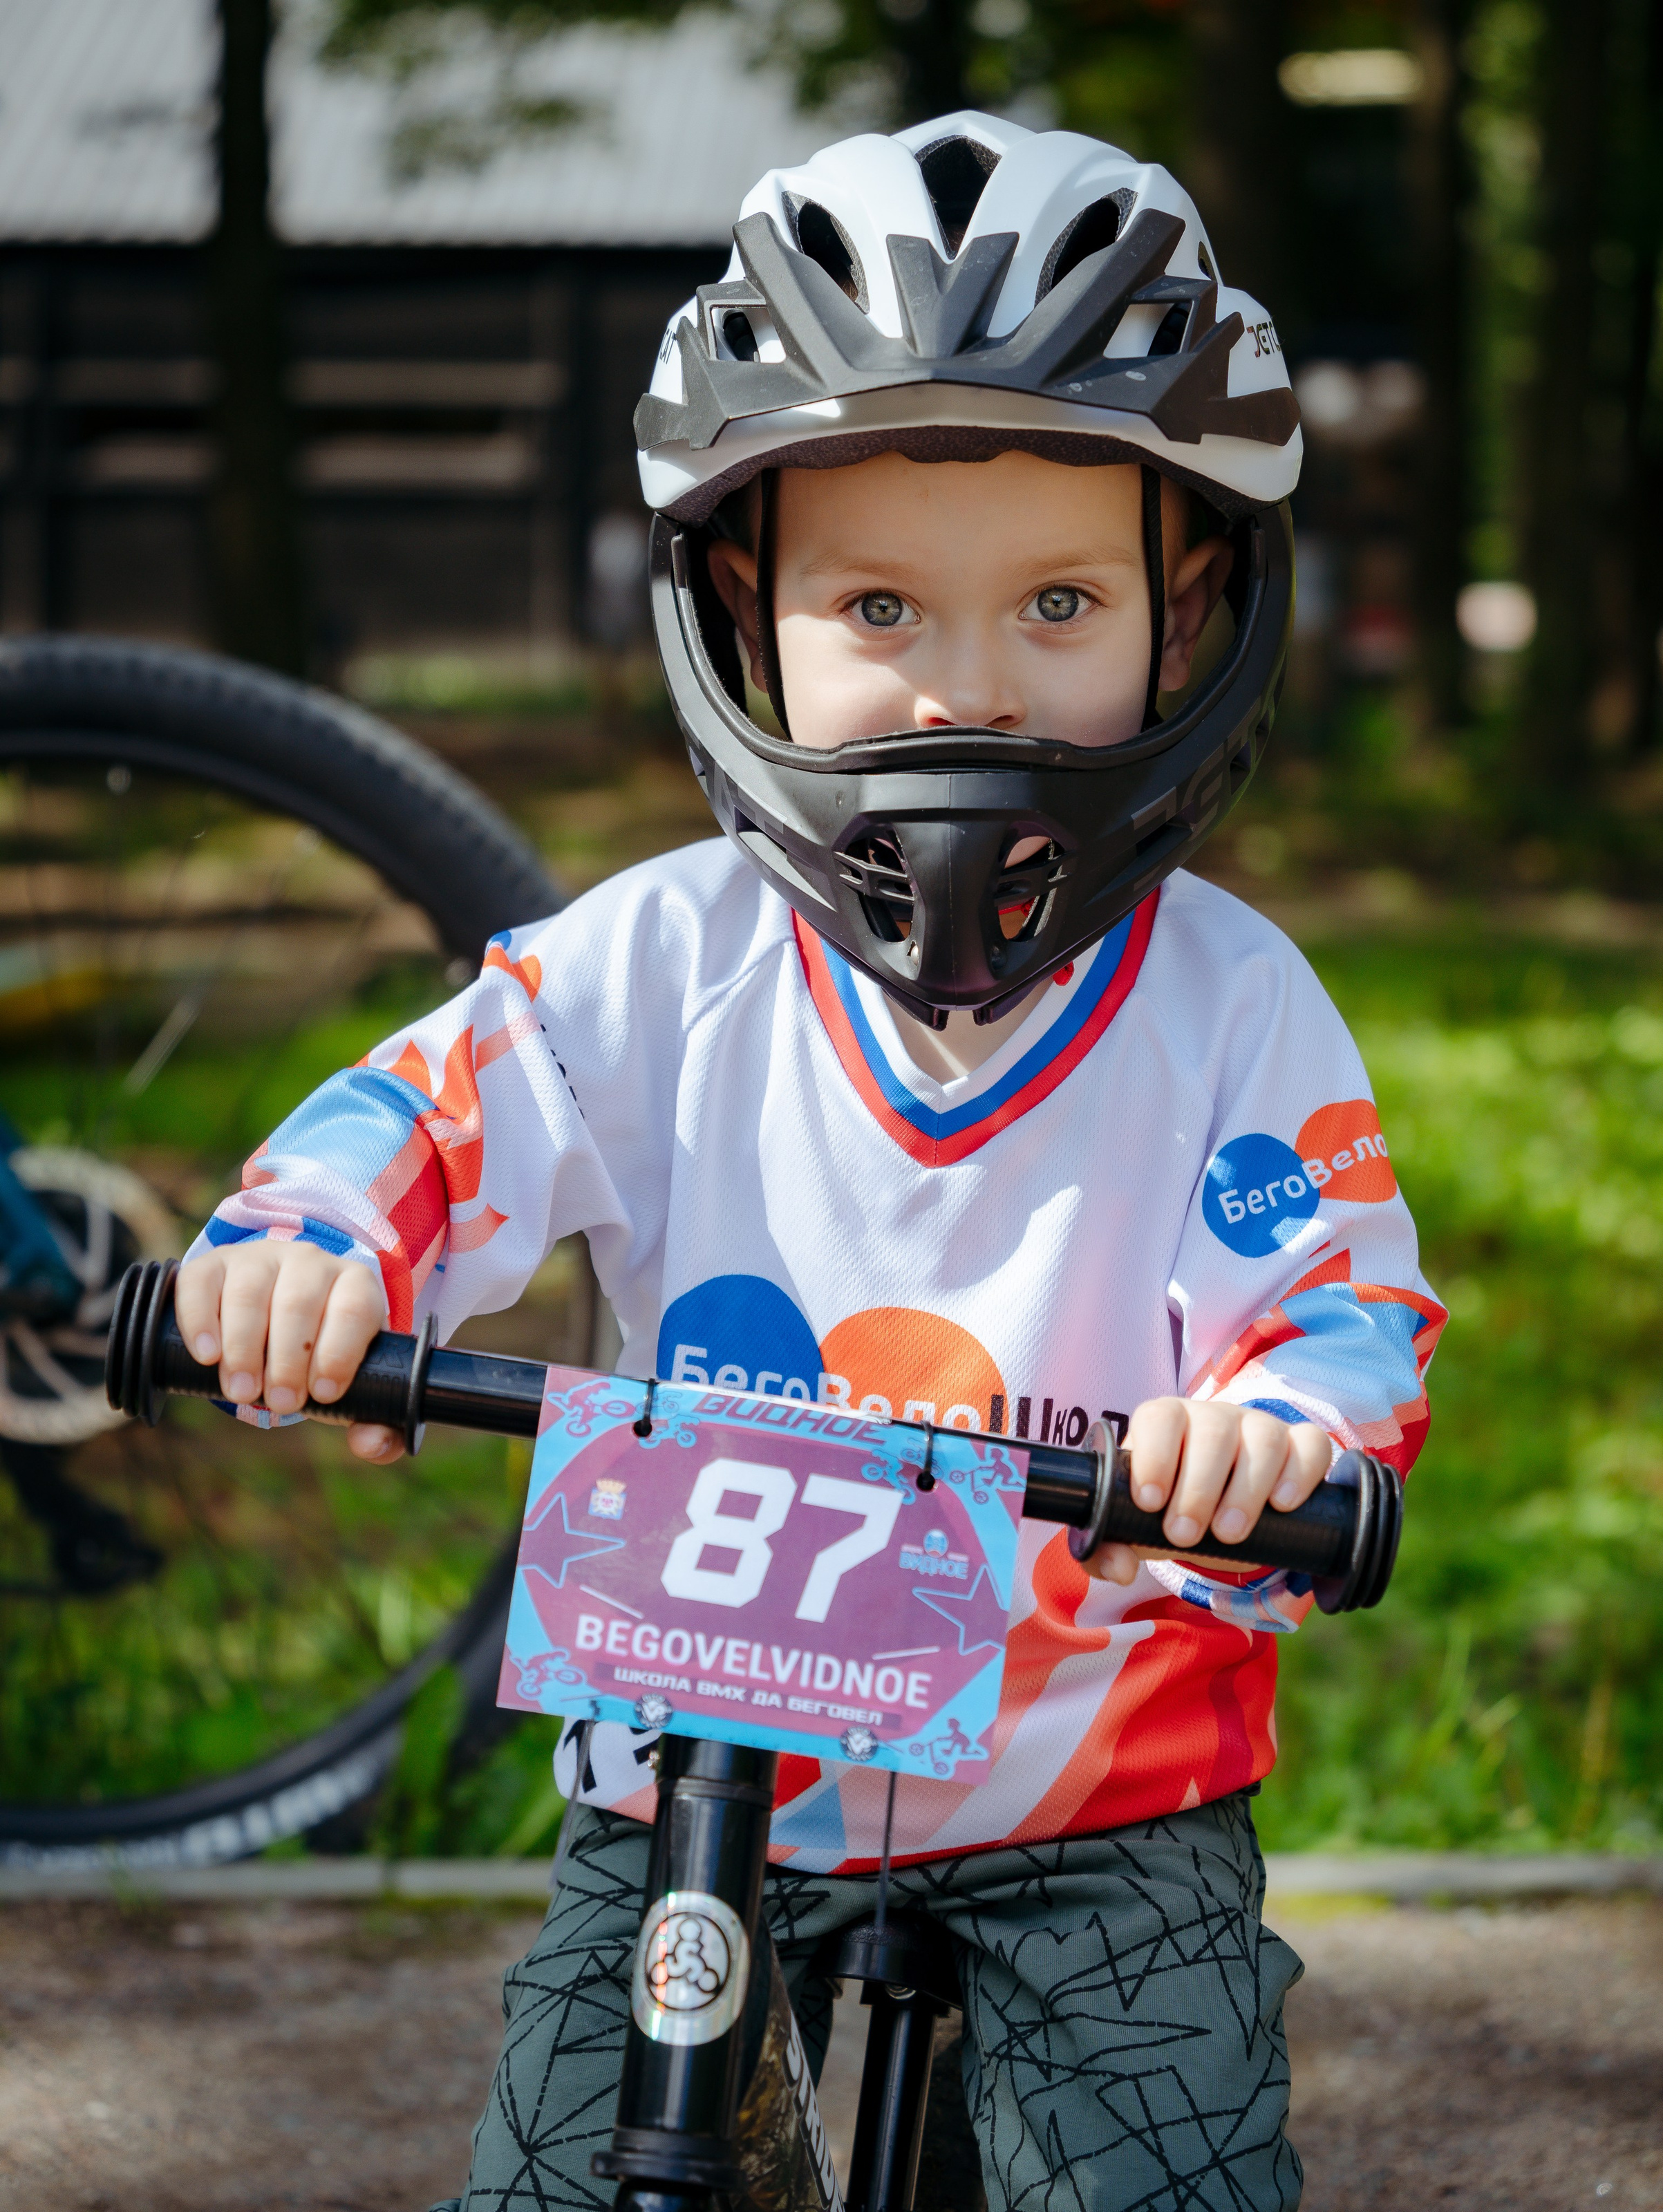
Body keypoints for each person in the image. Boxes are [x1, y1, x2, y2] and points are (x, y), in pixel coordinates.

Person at [176, 112, 1443, 2212]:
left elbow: (1342, 1306)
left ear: (1193, 606)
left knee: (1160, 2172)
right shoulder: (653, 963)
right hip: (692, 1771)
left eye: (1058, 601)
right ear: (744, 613)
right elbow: (434, 1112)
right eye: (880, 604)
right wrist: (310, 1250)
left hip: (1092, 1796)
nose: (964, 683)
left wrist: (1272, 1444)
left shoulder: (1234, 1005)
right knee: (569, 2172)